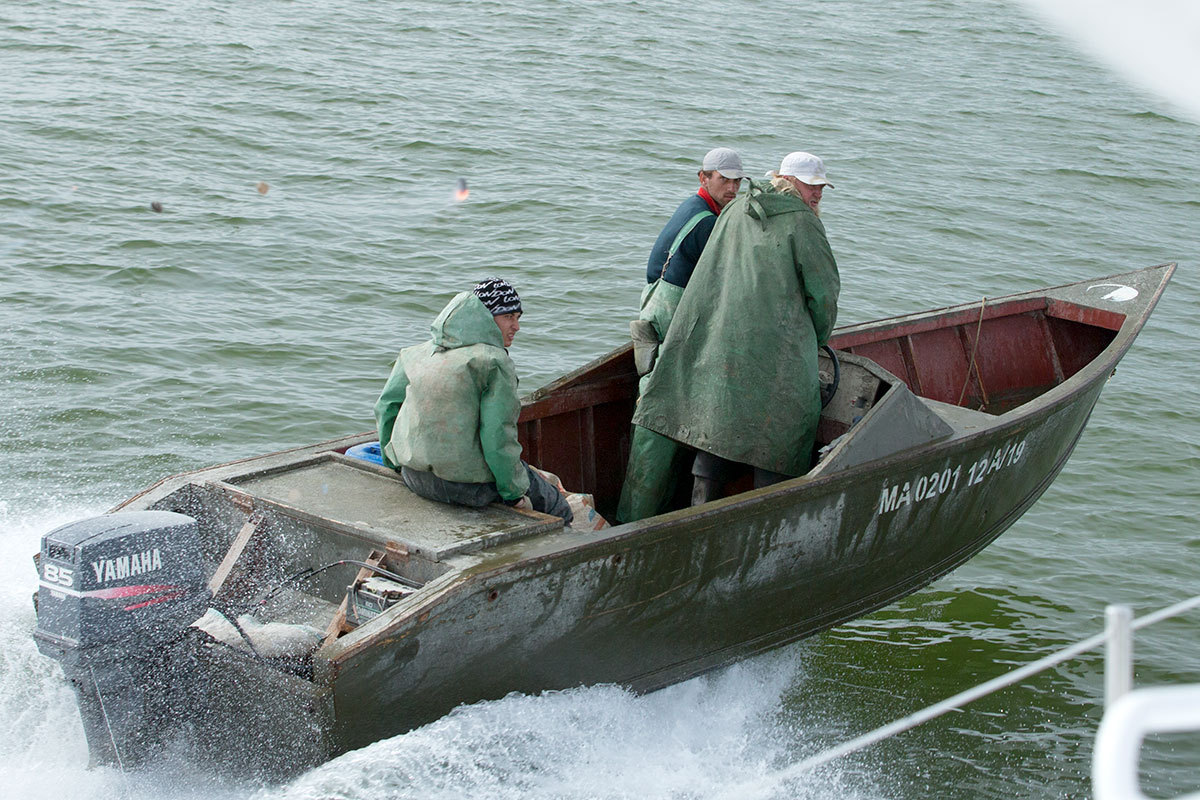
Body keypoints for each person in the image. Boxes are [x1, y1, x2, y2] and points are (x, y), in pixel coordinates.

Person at [625, 151, 840, 516]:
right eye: (812, 186)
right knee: (787, 423)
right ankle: (767, 514)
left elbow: (710, 273)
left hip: (720, 339)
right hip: (771, 352)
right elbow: (824, 294)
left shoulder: (735, 210)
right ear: (788, 181)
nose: (817, 194)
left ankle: (692, 511)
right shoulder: (804, 224)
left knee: (716, 417)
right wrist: (817, 338)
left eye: (821, 187)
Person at [373, 278, 573, 524]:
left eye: (518, 317)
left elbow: (386, 407)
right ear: (486, 317)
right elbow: (497, 436)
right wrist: (513, 494)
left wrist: (391, 461)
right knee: (556, 505)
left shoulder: (415, 354)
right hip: (466, 488)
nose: (516, 326)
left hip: (413, 477)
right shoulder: (493, 362)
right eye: (508, 316)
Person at [618, 148, 747, 523]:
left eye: (738, 181)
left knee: (656, 415)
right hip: (672, 320)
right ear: (703, 177)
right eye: (725, 180)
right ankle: (634, 521)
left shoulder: (692, 209)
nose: (732, 187)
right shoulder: (706, 223)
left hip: (656, 312)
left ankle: (641, 516)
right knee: (658, 423)